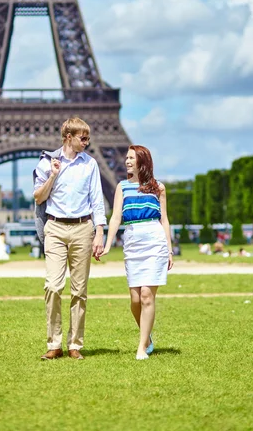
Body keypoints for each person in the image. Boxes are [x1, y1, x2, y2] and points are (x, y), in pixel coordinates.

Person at [33, 117, 106, 361]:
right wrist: (53, 175)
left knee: (79, 290)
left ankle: (75, 344)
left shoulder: (91, 164)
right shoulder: (47, 162)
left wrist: (100, 232)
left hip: (82, 228)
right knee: (53, 286)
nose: (87, 142)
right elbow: (38, 198)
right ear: (68, 137)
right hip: (54, 227)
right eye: (82, 138)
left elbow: (97, 199)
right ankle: (54, 343)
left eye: (87, 137)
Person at [101, 145, 173, 360]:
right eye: (126, 158)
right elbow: (115, 218)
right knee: (134, 300)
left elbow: (164, 219)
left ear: (143, 160)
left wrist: (169, 250)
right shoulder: (122, 187)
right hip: (132, 240)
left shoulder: (158, 187)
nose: (127, 161)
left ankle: (141, 347)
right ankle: (148, 338)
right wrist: (107, 244)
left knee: (146, 296)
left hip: (154, 238)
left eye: (131, 157)